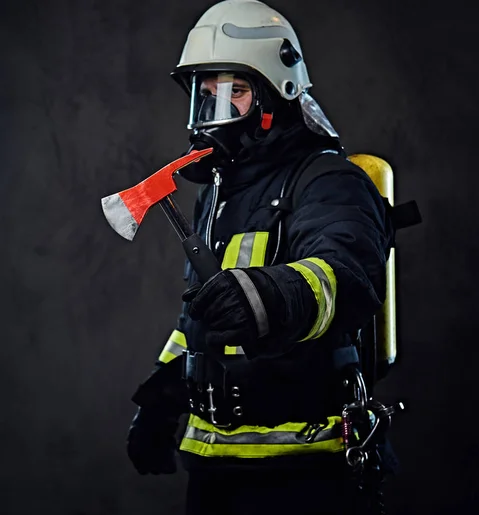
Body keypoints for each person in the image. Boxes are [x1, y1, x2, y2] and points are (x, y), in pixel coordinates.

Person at [126, 1, 396, 513]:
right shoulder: (220, 194)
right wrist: (163, 396)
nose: (214, 115)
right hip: (212, 470)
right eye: (205, 98)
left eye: (235, 94)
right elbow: (199, 317)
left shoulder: (328, 182)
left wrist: (268, 295)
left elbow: (348, 276)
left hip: (306, 473)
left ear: (277, 95)